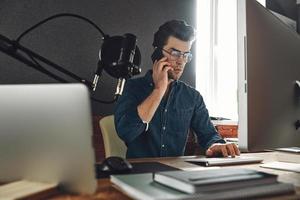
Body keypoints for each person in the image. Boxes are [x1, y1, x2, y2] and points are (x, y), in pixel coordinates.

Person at [114, 20, 240, 158]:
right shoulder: (133, 88)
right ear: (157, 54)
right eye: (175, 53)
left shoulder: (192, 97)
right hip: (139, 173)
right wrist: (158, 90)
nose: (181, 61)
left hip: (175, 174)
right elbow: (126, 132)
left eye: (186, 55)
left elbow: (209, 135)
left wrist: (215, 144)